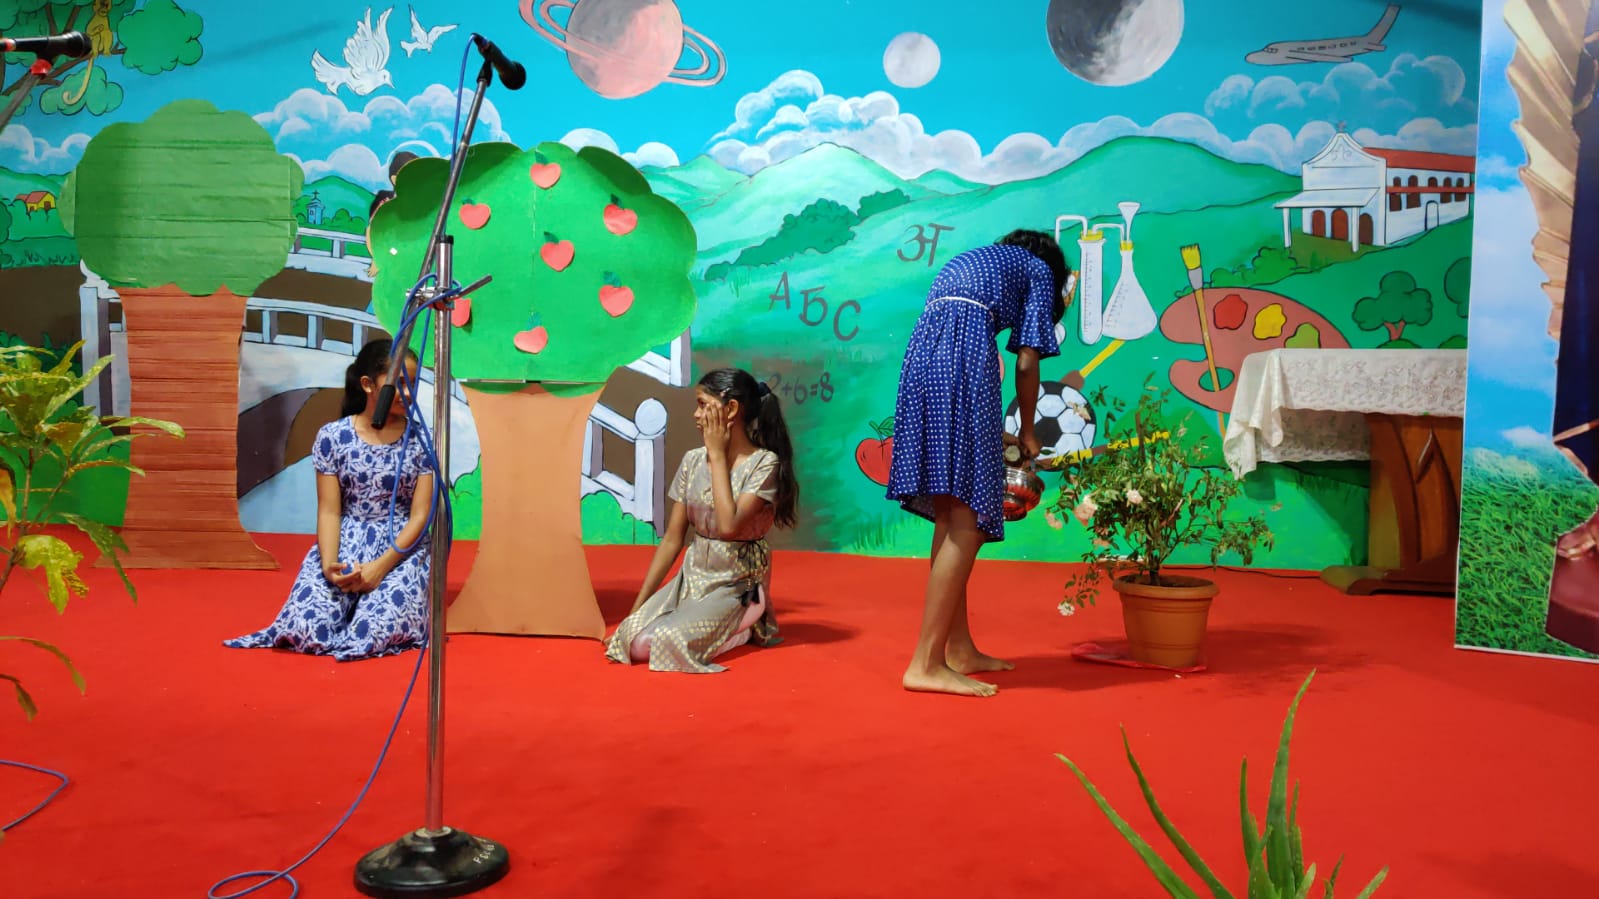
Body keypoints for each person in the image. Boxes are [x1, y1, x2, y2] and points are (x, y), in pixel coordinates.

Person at [887, 229, 1071, 697]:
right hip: (963, 366)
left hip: (921, 366)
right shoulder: (1038, 270)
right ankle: (925, 663)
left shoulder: (974, 261)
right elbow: (1026, 363)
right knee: (967, 521)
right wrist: (1028, 431)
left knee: (949, 514)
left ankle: (958, 648)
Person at [224, 339, 434, 661]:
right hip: (347, 541)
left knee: (372, 632)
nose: (408, 393)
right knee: (308, 629)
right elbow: (329, 512)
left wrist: (379, 568)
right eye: (399, 383)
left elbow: (420, 517)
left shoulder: (422, 440)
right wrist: (329, 566)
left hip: (401, 550)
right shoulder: (332, 437)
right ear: (367, 385)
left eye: (413, 383)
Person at [604, 368, 800, 673]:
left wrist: (718, 455)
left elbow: (728, 526)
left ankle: (747, 626)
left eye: (703, 405)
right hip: (693, 579)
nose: (696, 415)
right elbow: (672, 539)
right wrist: (636, 609)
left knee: (664, 641)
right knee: (630, 639)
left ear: (731, 409)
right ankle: (715, 629)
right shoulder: (692, 460)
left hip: (737, 586)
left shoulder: (764, 463)